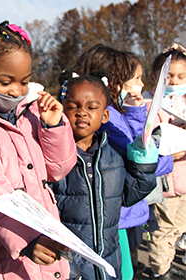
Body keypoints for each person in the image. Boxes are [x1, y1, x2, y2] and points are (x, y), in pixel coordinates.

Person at [0, 21, 77, 280]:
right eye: (6, 81)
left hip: (44, 239)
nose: (17, 91)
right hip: (7, 252)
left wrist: (52, 126)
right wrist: (28, 239)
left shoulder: (30, 110)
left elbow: (57, 170)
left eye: (24, 81)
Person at [72, 45, 173, 280]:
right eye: (134, 79)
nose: (139, 85)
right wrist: (168, 159)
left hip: (117, 213)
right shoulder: (108, 117)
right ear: (114, 81)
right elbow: (137, 153)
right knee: (122, 270)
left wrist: (134, 112)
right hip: (117, 214)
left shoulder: (112, 113)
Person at [50, 69, 158, 280]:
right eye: (73, 107)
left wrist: (143, 162)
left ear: (105, 115)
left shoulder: (113, 155)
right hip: (70, 267)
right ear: (62, 110)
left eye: (92, 107)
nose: (82, 112)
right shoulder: (55, 158)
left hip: (108, 263)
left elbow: (130, 193)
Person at [142, 43, 186, 279]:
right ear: (154, 78)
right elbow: (151, 142)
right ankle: (162, 272)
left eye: (181, 77)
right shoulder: (150, 106)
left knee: (178, 228)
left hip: (184, 183)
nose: (175, 82)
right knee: (163, 232)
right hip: (166, 183)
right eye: (168, 77)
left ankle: (164, 265)